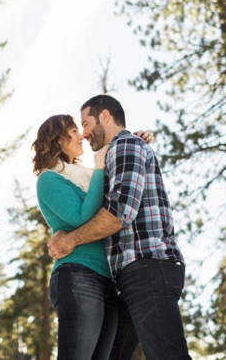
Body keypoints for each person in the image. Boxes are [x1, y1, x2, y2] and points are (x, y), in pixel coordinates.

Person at [47, 95, 192, 360]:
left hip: (146, 265)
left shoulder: (124, 145)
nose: (84, 133)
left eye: (86, 123)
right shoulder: (124, 147)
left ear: (105, 116)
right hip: (129, 273)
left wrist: (71, 240)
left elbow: (119, 213)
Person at [32, 114, 152, 360]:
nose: (81, 136)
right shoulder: (49, 179)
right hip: (78, 275)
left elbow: (118, 201)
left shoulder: (86, 175)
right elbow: (81, 217)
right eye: (73, 131)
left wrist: (134, 143)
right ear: (57, 138)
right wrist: (99, 168)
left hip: (107, 281)